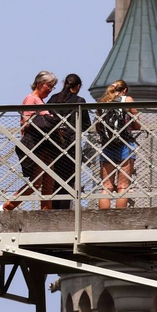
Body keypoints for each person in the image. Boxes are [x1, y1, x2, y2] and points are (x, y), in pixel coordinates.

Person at [3, 71, 58, 211]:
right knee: (36, 182)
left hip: (46, 146)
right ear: (40, 83)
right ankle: (8, 205)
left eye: (53, 86)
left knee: (49, 182)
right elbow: (26, 122)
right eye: (49, 85)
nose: (50, 89)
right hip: (36, 144)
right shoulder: (30, 99)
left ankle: (46, 212)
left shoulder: (40, 101)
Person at [95, 78, 139, 210]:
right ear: (124, 90)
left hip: (107, 145)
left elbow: (98, 126)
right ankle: (119, 217)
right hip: (125, 144)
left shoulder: (102, 101)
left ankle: (104, 217)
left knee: (106, 187)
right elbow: (137, 124)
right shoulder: (128, 100)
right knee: (123, 186)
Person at [47, 73, 86, 210]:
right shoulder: (79, 101)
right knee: (68, 181)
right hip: (71, 146)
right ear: (78, 86)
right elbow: (86, 124)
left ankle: (52, 210)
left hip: (53, 145)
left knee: (53, 180)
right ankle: (64, 211)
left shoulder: (53, 99)